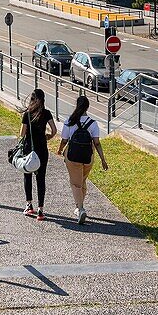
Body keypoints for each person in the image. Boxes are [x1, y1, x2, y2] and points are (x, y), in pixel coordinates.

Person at [58, 95, 108, 225]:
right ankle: (79, 206)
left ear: (77, 105)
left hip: (72, 156)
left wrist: (59, 150)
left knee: (76, 184)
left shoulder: (70, 121)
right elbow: (97, 143)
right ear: (88, 107)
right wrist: (103, 159)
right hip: (88, 157)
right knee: (82, 181)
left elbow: (64, 139)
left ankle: (80, 209)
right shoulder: (93, 123)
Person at [19, 88, 57, 220]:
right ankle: (41, 210)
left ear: (32, 99)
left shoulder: (27, 114)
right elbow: (54, 130)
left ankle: (29, 205)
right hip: (42, 150)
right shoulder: (46, 113)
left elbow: (22, 134)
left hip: (29, 149)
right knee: (41, 178)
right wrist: (47, 137)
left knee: (27, 176)